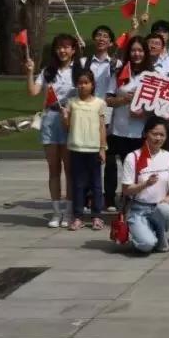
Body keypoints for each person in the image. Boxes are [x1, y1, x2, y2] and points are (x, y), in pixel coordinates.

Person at [25, 33, 82, 227]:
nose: (62, 50)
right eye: (59, 47)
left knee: (70, 169)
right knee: (53, 168)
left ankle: (69, 212)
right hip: (50, 119)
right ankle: (56, 213)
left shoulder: (79, 70)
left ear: (73, 50)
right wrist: (30, 72)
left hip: (70, 120)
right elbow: (33, 91)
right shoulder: (48, 71)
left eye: (66, 47)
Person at [105, 36, 153, 212]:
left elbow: (159, 105)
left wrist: (144, 112)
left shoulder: (153, 76)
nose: (136, 54)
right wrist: (124, 99)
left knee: (140, 168)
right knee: (119, 166)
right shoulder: (120, 73)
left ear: (145, 53)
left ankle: (137, 201)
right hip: (120, 130)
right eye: (133, 50)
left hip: (141, 131)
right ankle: (113, 200)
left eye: (140, 50)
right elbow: (108, 100)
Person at [121, 117, 169, 254]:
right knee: (146, 245)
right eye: (154, 134)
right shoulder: (133, 157)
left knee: (167, 211)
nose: (158, 138)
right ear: (145, 134)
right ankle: (144, 233)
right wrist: (145, 184)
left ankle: (159, 232)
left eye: (162, 135)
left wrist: (168, 198)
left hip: (159, 208)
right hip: (139, 209)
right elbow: (126, 190)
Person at [62, 69, 107, 231]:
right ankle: (78, 216)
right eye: (80, 83)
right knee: (78, 184)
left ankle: (97, 216)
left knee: (96, 184)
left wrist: (102, 148)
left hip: (94, 148)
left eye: (86, 82)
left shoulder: (99, 103)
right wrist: (65, 117)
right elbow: (67, 127)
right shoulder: (71, 103)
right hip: (77, 148)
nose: (83, 86)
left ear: (92, 84)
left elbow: (102, 127)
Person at [82, 26, 117, 212]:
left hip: (109, 114)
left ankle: (109, 198)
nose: (101, 39)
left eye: (105, 36)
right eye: (98, 35)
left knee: (109, 159)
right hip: (88, 114)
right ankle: (89, 197)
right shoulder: (84, 62)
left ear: (111, 42)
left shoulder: (116, 63)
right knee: (89, 157)